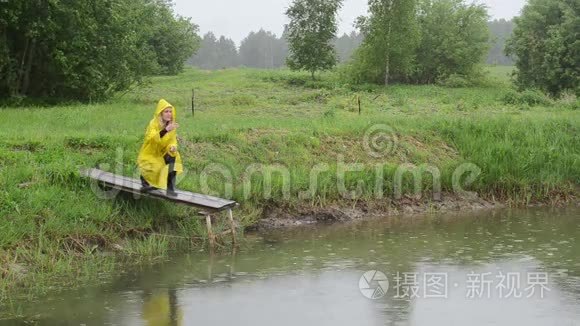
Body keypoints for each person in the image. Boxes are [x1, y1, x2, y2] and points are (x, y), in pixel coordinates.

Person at [137, 99, 183, 196]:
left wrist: (173, 147)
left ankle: (170, 189)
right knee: (154, 167)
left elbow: (172, 140)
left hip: (163, 151)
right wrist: (165, 130)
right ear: (160, 113)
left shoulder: (171, 125)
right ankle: (145, 183)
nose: (169, 114)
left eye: (170, 111)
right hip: (150, 152)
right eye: (166, 111)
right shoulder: (153, 123)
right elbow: (152, 138)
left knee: (174, 156)